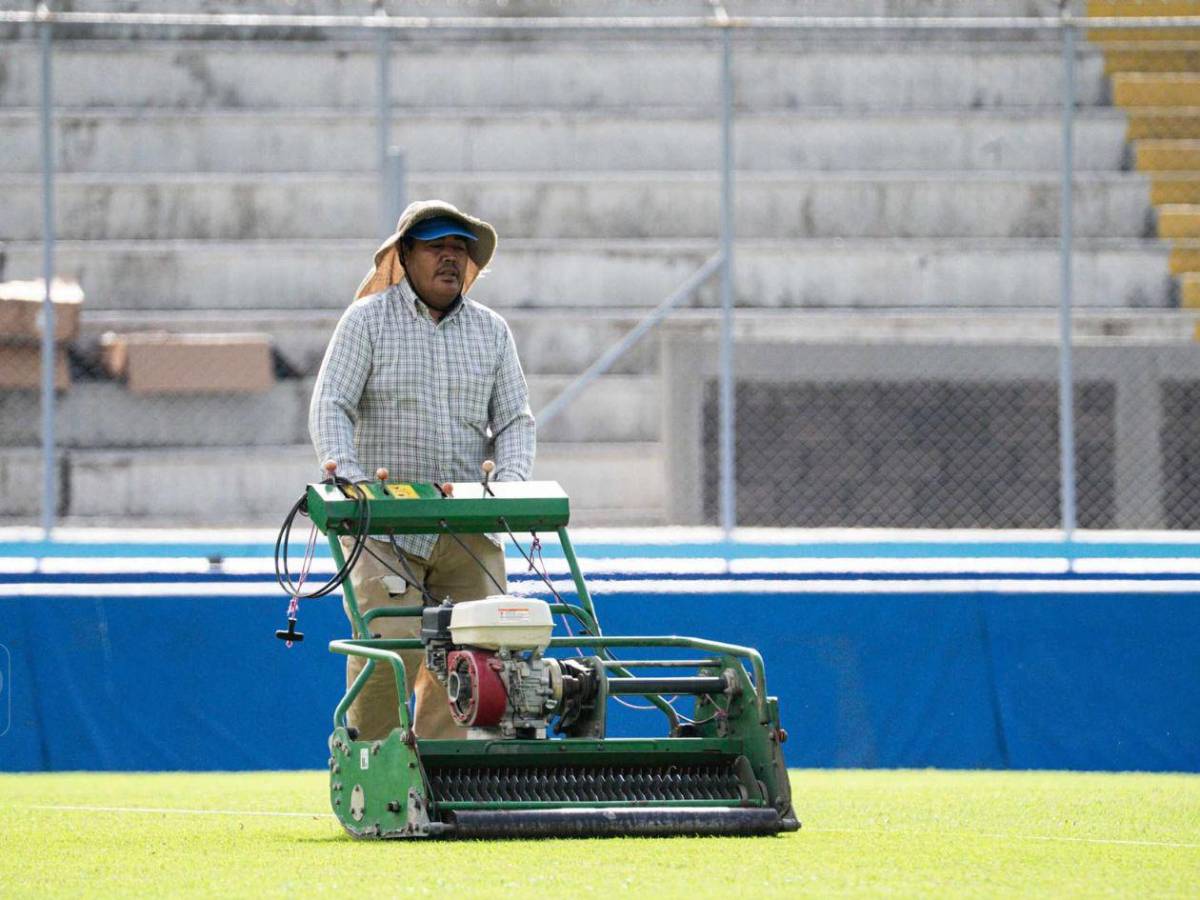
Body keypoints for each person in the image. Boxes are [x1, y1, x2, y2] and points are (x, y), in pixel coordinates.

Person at [309, 199, 536, 741]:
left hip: (464, 522)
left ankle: (444, 777)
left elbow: (515, 422)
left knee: (477, 650)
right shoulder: (365, 321)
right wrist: (353, 480)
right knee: (393, 643)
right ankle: (370, 765)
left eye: (460, 249)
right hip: (381, 525)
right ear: (404, 254)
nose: (451, 259)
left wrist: (508, 487)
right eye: (437, 247)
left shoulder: (492, 332)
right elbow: (331, 404)